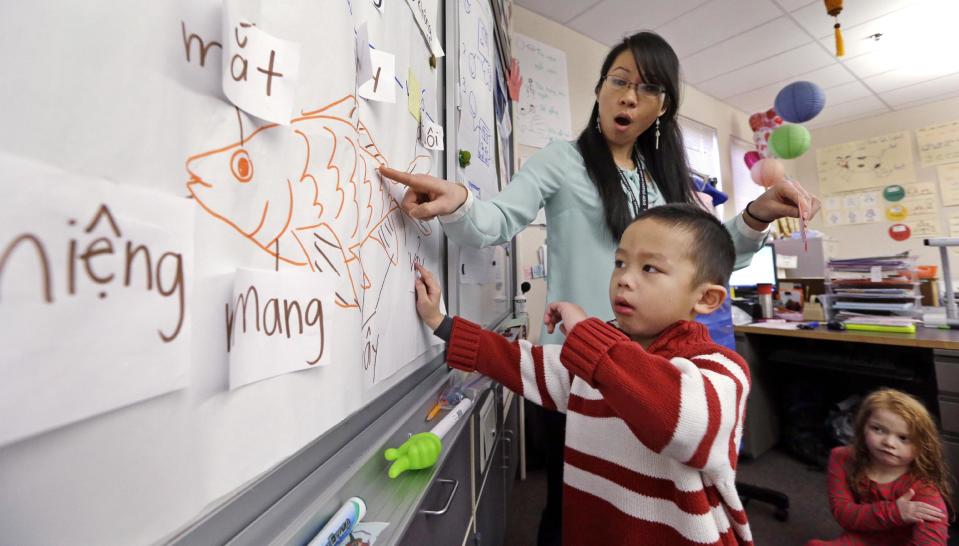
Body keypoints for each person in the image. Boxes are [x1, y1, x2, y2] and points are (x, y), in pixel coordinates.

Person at [382, 31, 819, 545]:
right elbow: (495, 222)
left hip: (655, 372)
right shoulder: (562, 160)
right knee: (574, 508)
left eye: (649, 88)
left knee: (656, 501)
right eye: (620, 80)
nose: (630, 95)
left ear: (662, 107)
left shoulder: (665, 182)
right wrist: (459, 200)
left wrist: (756, 213)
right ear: (600, 89)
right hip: (574, 370)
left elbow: (705, 258)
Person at [412, 204, 754, 545]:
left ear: (706, 298)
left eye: (649, 268)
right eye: (620, 263)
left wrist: (585, 332)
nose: (624, 279)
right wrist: (442, 323)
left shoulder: (720, 369)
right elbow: (519, 362)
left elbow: (677, 419)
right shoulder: (596, 364)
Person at [806, 389, 953, 545]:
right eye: (877, 429)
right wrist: (895, 512)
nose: (888, 443)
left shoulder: (924, 485)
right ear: (863, 427)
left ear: (922, 446)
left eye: (903, 438)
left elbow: (931, 540)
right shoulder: (842, 457)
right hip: (862, 537)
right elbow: (844, 515)